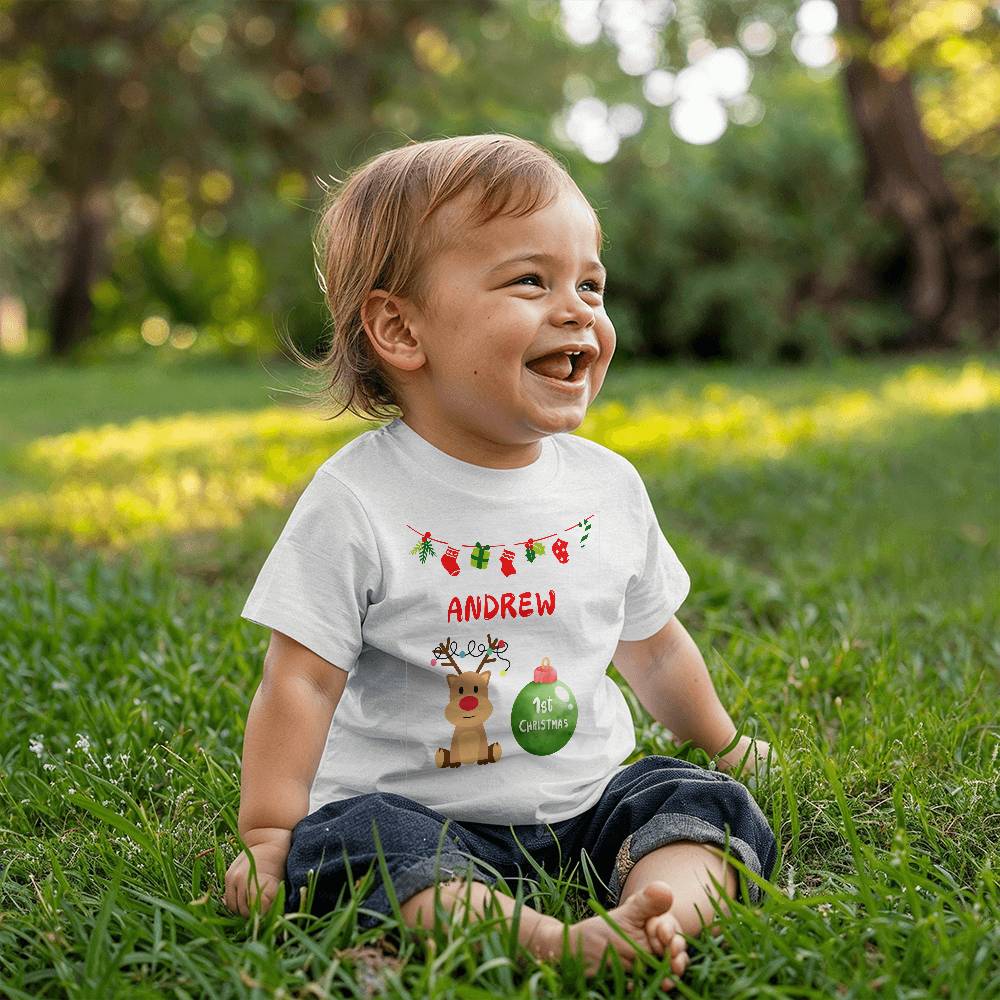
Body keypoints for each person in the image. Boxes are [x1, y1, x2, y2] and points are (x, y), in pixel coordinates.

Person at [223, 133, 778, 991]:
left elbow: (656, 647)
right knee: (353, 845)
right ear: (402, 329)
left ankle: (661, 914)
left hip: (587, 802)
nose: (578, 311)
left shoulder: (607, 487)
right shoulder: (357, 499)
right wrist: (268, 834)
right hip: (419, 812)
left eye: (590, 285)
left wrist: (727, 744)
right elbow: (301, 681)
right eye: (530, 281)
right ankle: (552, 942)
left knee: (698, 802)